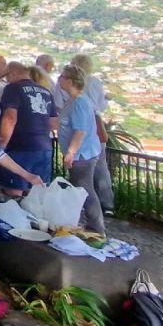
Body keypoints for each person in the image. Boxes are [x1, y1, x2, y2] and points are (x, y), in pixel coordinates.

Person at [57, 65, 107, 234]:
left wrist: (71, 152)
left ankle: (96, 227)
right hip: (83, 153)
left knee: (85, 190)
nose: (59, 79)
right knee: (81, 189)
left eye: (62, 77)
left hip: (82, 155)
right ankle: (88, 224)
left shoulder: (79, 102)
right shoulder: (74, 100)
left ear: (70, 81)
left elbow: (80, 130)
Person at [0, 61, 55, 197]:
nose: (7, 80)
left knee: (13, 191)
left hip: (20, 147)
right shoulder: (46, 91)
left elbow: (10, 117)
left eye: (7, 76)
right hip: (44, 147)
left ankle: (16, 217)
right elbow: (53, 123)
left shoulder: (13, 88)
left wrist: (3, 142)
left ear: (13, 73)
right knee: (38, 192)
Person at [71, 54, 114, 214]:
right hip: (96, 125)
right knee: (101, 166)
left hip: (78, 126)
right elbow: (101, 106)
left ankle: (81, 203)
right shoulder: (95, 82)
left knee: (79, 168)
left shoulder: (72, 83)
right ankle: (107, 203)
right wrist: (106, 99)